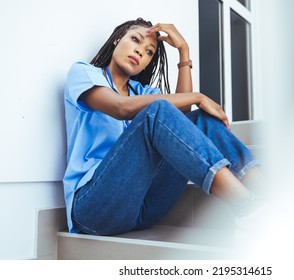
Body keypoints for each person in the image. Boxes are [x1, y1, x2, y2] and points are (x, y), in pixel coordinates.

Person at [63, 18, 261, 235]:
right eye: (135, 40)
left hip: (142, 206)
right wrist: (197, 96)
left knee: (201, 121)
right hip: (94, 206)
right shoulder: (83, 74)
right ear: (117, 39)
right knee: (159, 110)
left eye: (149, 52)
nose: (140, 52)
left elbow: (180, 121)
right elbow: (121, 107)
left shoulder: (142, 92)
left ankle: (268, 196)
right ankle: (247, 207)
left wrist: (184, 52)